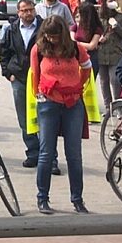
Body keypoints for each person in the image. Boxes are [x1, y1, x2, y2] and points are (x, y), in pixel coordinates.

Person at [27, 15, 97, 215]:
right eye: (48, 36)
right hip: (48, 103)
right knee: (46, 154)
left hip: (73, 103)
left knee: (74, 155)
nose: (52, 40)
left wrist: (78, 86)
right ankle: (42, 198)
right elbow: (35, 75)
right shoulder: (38, 49)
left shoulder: (75, 48)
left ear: (63, 35)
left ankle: (78, 200)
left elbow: (86, 68)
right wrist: (39, 93)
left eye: (56, 36)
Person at [0, 0, 54, 171]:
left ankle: (50, 159)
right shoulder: (11, 29)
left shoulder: (45, 27)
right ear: (18, 13)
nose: (28, 13)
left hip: (43, 79)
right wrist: (8, 73)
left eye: (31, 9)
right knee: (25, 119)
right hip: (20, 79)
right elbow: (4, 52)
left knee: (46, 120)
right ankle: (33, 154)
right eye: (24, 10)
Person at [97, 0, 122, 107]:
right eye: (110, 0)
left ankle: (118, 106)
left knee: (115, 80)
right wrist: (97, 38)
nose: (113, 3)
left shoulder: (121, 17)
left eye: (114, 0)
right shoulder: (99, 16)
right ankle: (108, 106)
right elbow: (93, 31)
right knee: (103, 81)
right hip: (101, 53)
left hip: (115, 53)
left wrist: (116, 26)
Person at [71, 2, 105, 76]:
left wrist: (77, 43)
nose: (78, 15)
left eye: (80, 13)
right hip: (76, 57)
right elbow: (71, 38)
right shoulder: (76, 26)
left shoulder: (96, 29)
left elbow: (92, 46)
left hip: (90, 58)